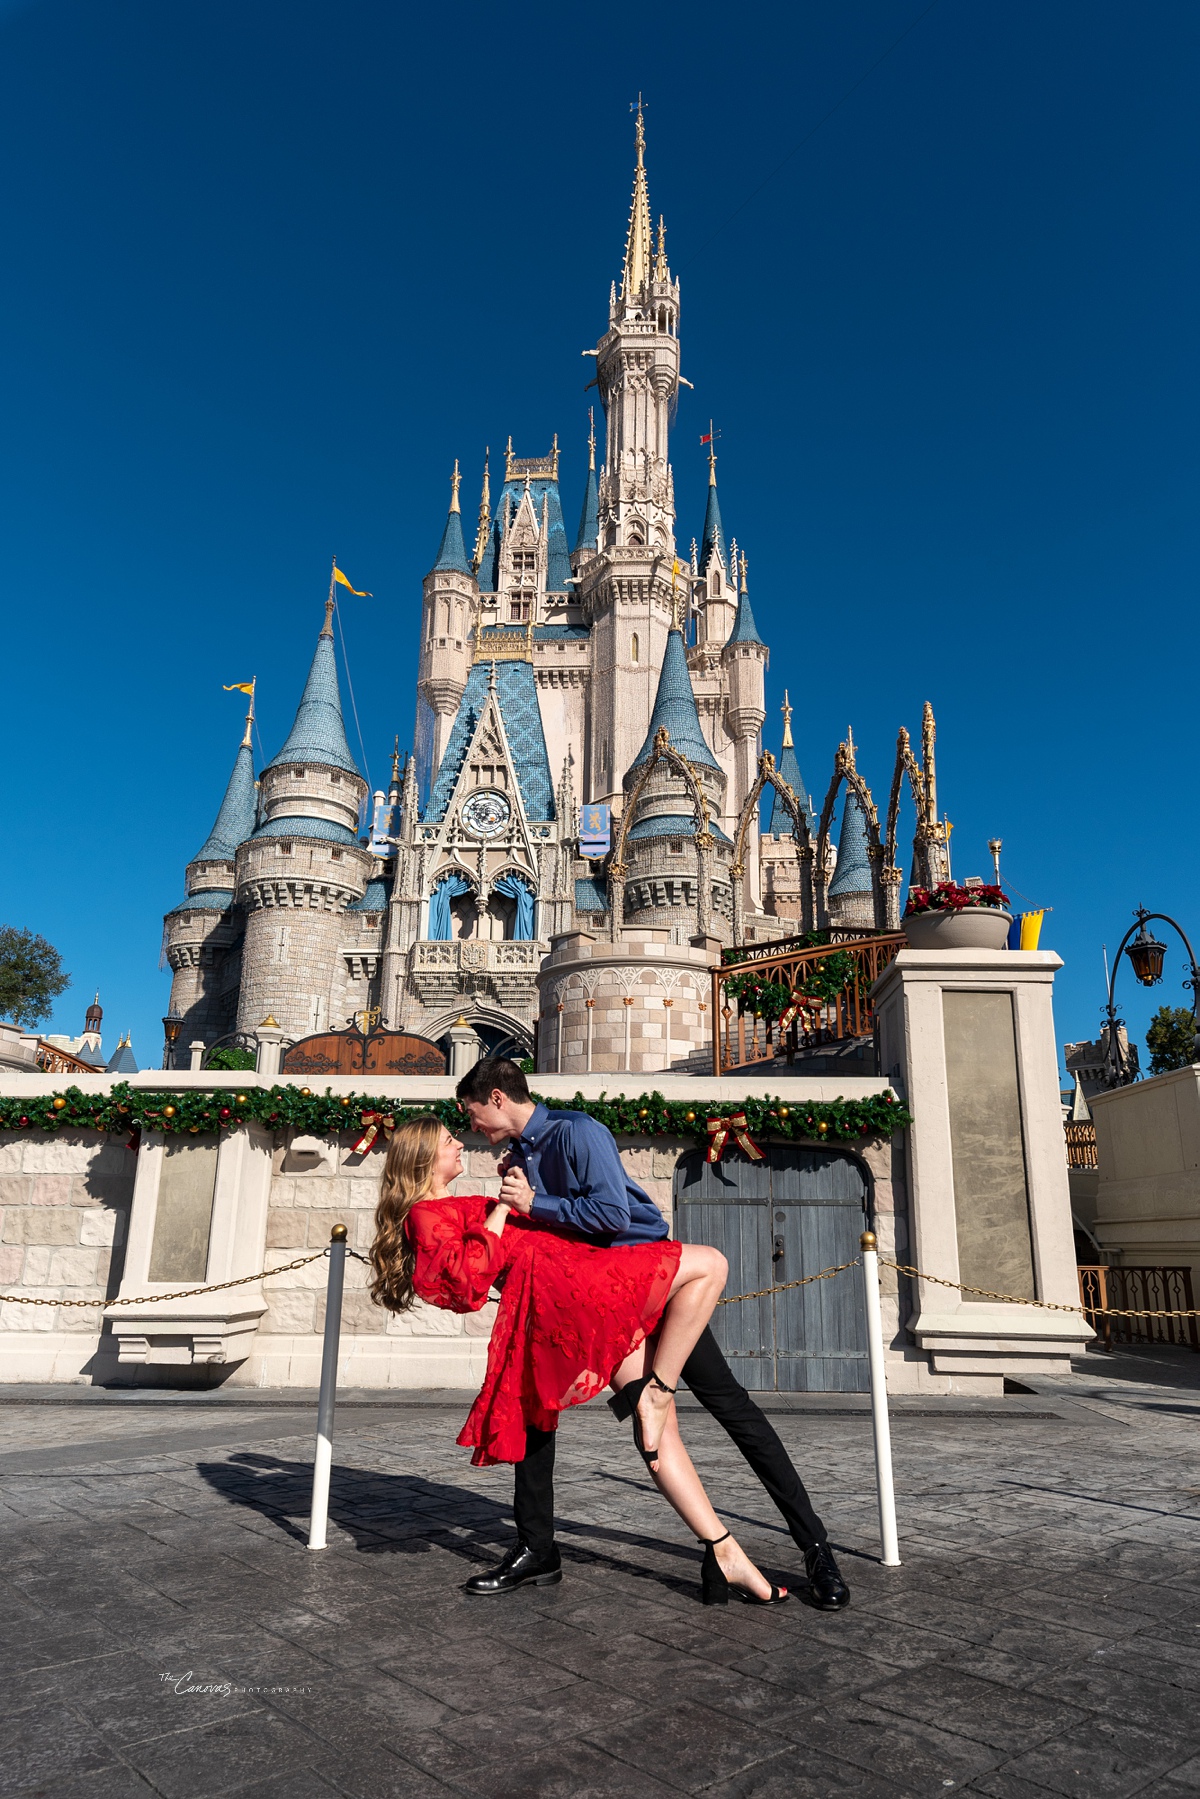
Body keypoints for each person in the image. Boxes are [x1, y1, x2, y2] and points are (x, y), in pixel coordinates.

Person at [454, 1057, 851, 1610]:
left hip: (647, 1283)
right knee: (542, 1397)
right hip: (595, 1298)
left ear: (496, 1098)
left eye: (471, 1112)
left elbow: (614, 1215)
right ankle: (539, 1547)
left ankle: (816, 1549)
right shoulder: (520, 1155)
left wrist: (534, 1203)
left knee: (730, 1407)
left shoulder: (577, 1131)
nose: (471, 1126)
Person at [369, 1113, 786, 1606]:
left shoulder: (455, 1204)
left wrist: (519, 1195)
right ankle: (659, 1393)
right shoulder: (425, 1214)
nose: (460, 1143)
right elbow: (466, 1283)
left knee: (656, 1429)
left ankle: (723, 1551)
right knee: (710, 1264)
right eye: (448, 1140)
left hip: (575, 1292)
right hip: (575, 1296)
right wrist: (501, 1212)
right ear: (423, 1158)